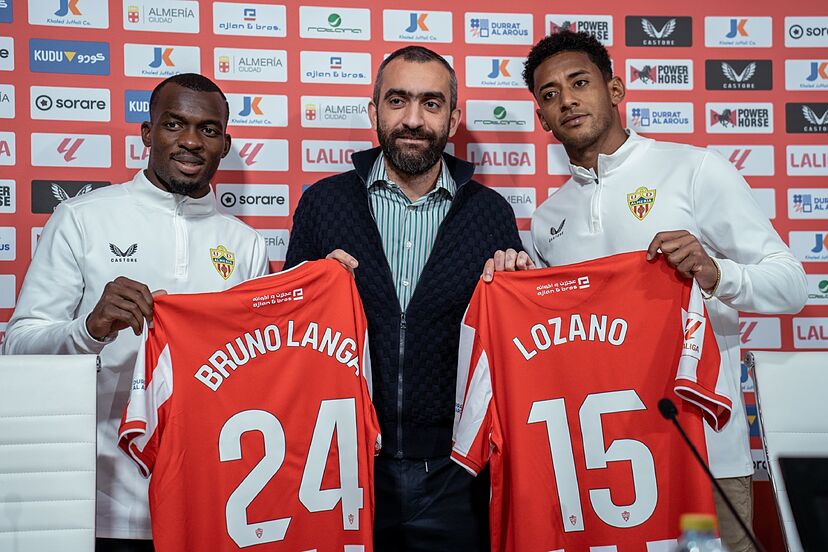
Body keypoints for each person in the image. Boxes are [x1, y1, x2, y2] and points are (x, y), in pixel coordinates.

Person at [484, 31, 807, 552]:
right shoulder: (547, 221)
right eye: (548, 94)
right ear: (541, 119)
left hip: (705, 456)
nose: (566, 99)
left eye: (579, 82)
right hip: (599, 467)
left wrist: (716, 273)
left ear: (614, 89)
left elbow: (791, 284)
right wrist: (517, 282)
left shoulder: (695, 170)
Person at [2, 73, 269, 551]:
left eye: (208, 130)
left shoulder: (245, 245)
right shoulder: (82, 218)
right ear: (148, 133)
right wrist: (90, 329)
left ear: (225, 145)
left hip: (209, 504)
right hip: (100, 505)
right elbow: (19, 347)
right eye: (174, 124)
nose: (190, 141)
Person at [285, 46, 523, 551]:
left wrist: (519, 282)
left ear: (454, 118)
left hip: (457, 475)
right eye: (398, 101)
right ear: (374, 113)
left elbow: (511, 344)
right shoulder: (323, 203)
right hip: (342, 469)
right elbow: (286, 334)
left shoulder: (491, 212)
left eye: (431, 104)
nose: (413, 119)